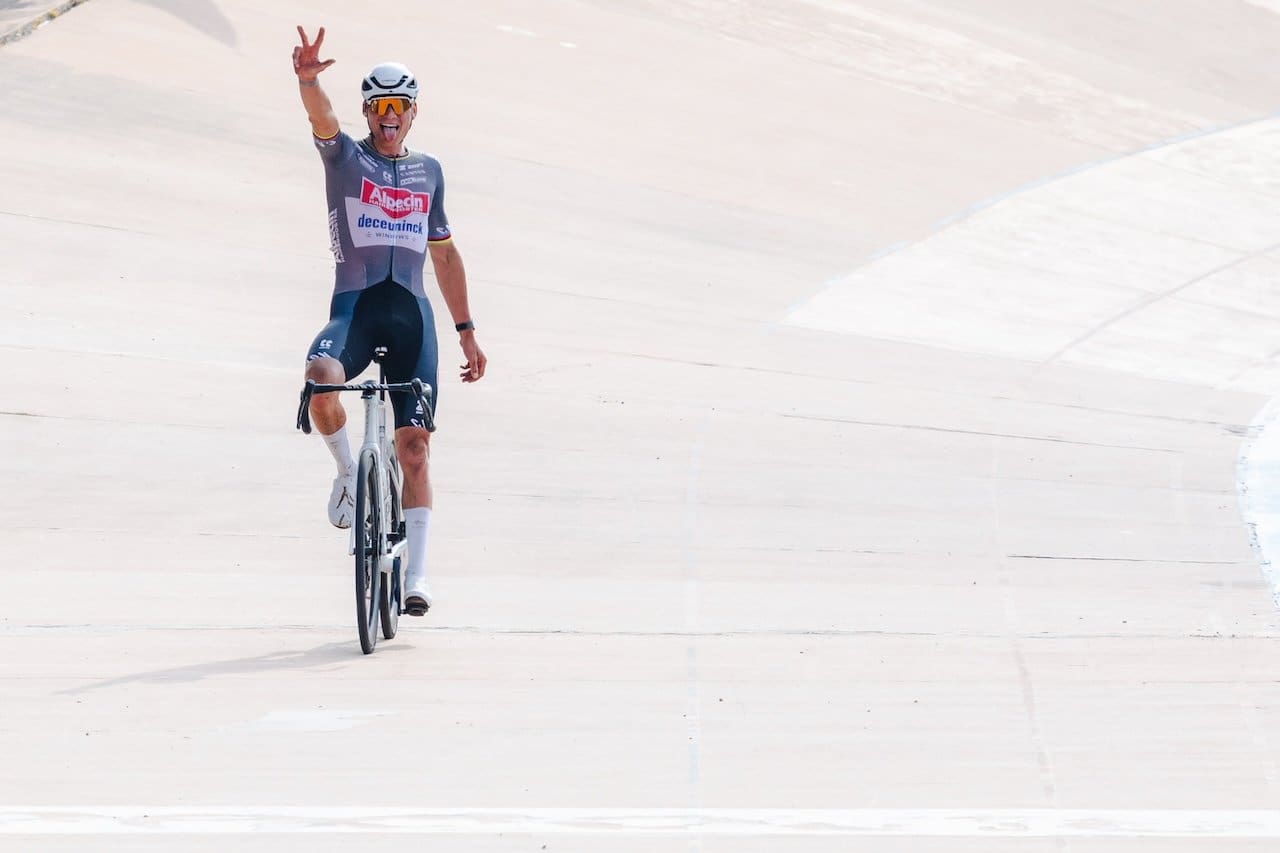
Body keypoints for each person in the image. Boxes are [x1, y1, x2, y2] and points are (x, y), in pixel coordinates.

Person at [293, 26, 486, 616]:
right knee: (320, 380)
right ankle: (349, 472)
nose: (388, 117)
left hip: (412, 319)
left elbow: (446, 255)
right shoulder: (346, 158)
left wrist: (466, 331)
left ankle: (417, 578)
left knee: (416, 449)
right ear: (368, 112)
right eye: (379, 107)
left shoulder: (429, 172)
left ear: (412, 113)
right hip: (354, 308)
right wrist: (308, 80)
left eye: (398, 107)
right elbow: (322, 118)